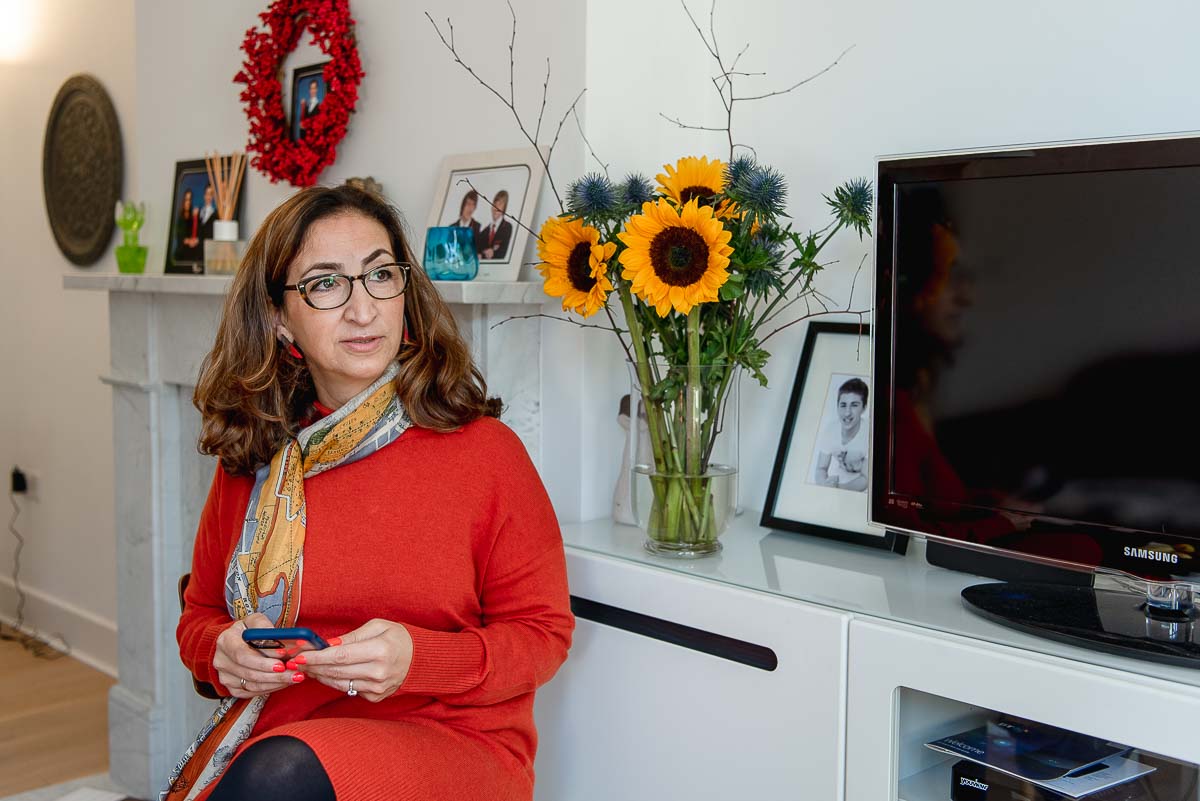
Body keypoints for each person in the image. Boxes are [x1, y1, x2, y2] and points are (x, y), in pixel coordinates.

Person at [166, 184, 574, 801]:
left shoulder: (486, 452)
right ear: (278, 318)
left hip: (453, 737)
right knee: (277, 771)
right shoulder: (256, 457)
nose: (364, 309)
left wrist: (421, 660)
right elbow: (199, 619)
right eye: (326, 283)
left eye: (380, 275)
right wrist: (223, 652)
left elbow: (544, 635)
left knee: (277, 777)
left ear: (404, 292)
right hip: (290, 728)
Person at [812, 377, 869, 492]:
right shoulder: (830, 430)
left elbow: (866, 479)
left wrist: (837, 489)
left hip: (862, 488)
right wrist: (824, 485)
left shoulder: (870, 435)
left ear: (864, 408)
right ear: (837, 406)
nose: (847, 413)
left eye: (854, 405)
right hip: (838, 479)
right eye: (843, 405)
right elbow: (821, 468)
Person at [478, 189, 513, 260]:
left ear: (504, 208)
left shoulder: (507, 227)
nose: (496, 207)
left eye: (500, 204)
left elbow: (502, 253)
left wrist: (493, 253)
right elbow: (478, 252)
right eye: (494, 204)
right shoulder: (484, 232)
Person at [173, 187, 200, 264]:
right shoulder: (180, 217)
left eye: (189, 199)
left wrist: (196, 218)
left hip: (191, 253)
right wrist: (189, 241)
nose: (188, 202)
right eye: (186, 199)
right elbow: (179, 237)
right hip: (181, 253)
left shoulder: (194, 216)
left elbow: (196, 233)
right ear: (183, 201)